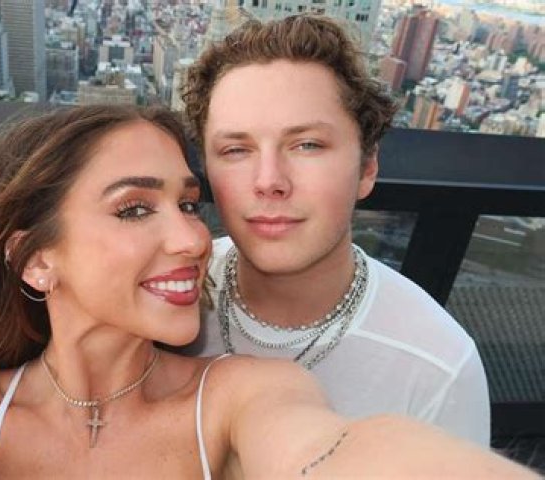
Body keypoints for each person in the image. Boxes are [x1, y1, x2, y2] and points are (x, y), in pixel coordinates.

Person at [0, 105, 533, 479]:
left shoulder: (240, 397)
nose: (194, 239)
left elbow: (327, 453)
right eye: (135, 208)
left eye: (189, 204)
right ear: (35, 260)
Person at [180, 14, 491, 446]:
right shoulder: (163, 293)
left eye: (307, 145)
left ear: (367, 167)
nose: (269, 180)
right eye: (235, 149)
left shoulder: (436, 367)